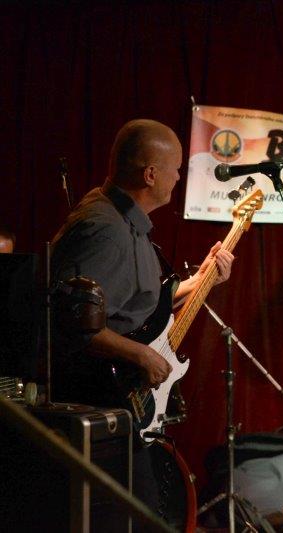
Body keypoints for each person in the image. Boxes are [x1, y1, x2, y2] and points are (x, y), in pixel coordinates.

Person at [50, 118, 234, 519]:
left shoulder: (126, 222)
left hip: (116, 406)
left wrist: (202, 280)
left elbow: (142, 304)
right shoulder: (106, 230)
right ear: (150, 174)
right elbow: (69, 322)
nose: (179, 177)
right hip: (100, 401)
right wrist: (142, 355)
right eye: (176, 168)